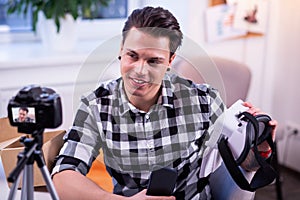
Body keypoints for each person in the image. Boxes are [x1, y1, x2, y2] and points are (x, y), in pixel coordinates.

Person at [52, 6, 277, 200]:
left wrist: (260, 147)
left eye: (153, 61)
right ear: (120, 51)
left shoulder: (204, 101)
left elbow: (243, 166)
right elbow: (64, 176)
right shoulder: (96, 106)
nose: (140, 70)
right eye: (132, 56)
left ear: (170, 61)